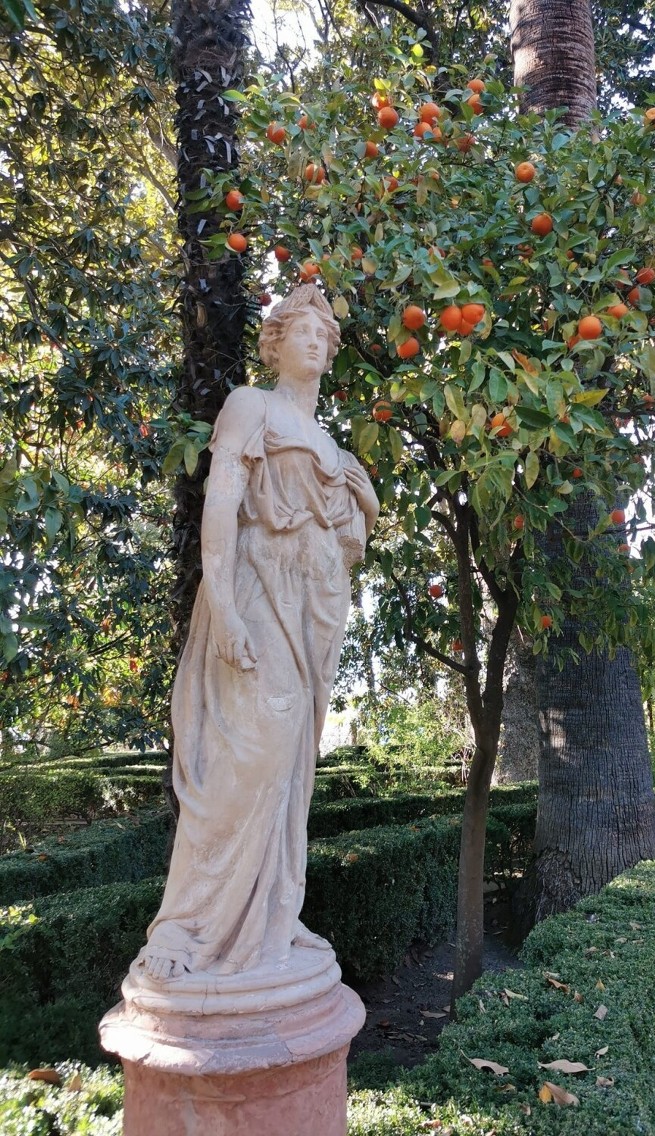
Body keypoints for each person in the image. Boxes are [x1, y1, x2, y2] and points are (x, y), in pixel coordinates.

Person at [140, 286, 379, 983]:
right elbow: (221, 504)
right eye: (300, 329)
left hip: (313, 610)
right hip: (258, 594)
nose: (313, 341)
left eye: (323, 335)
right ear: (274, 342)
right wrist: (224, 604)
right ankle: (188, 927)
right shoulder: (252, 406)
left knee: (291, 767)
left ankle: (274, 913)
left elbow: (348, 533)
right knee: (248, 757)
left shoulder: (330, 442)